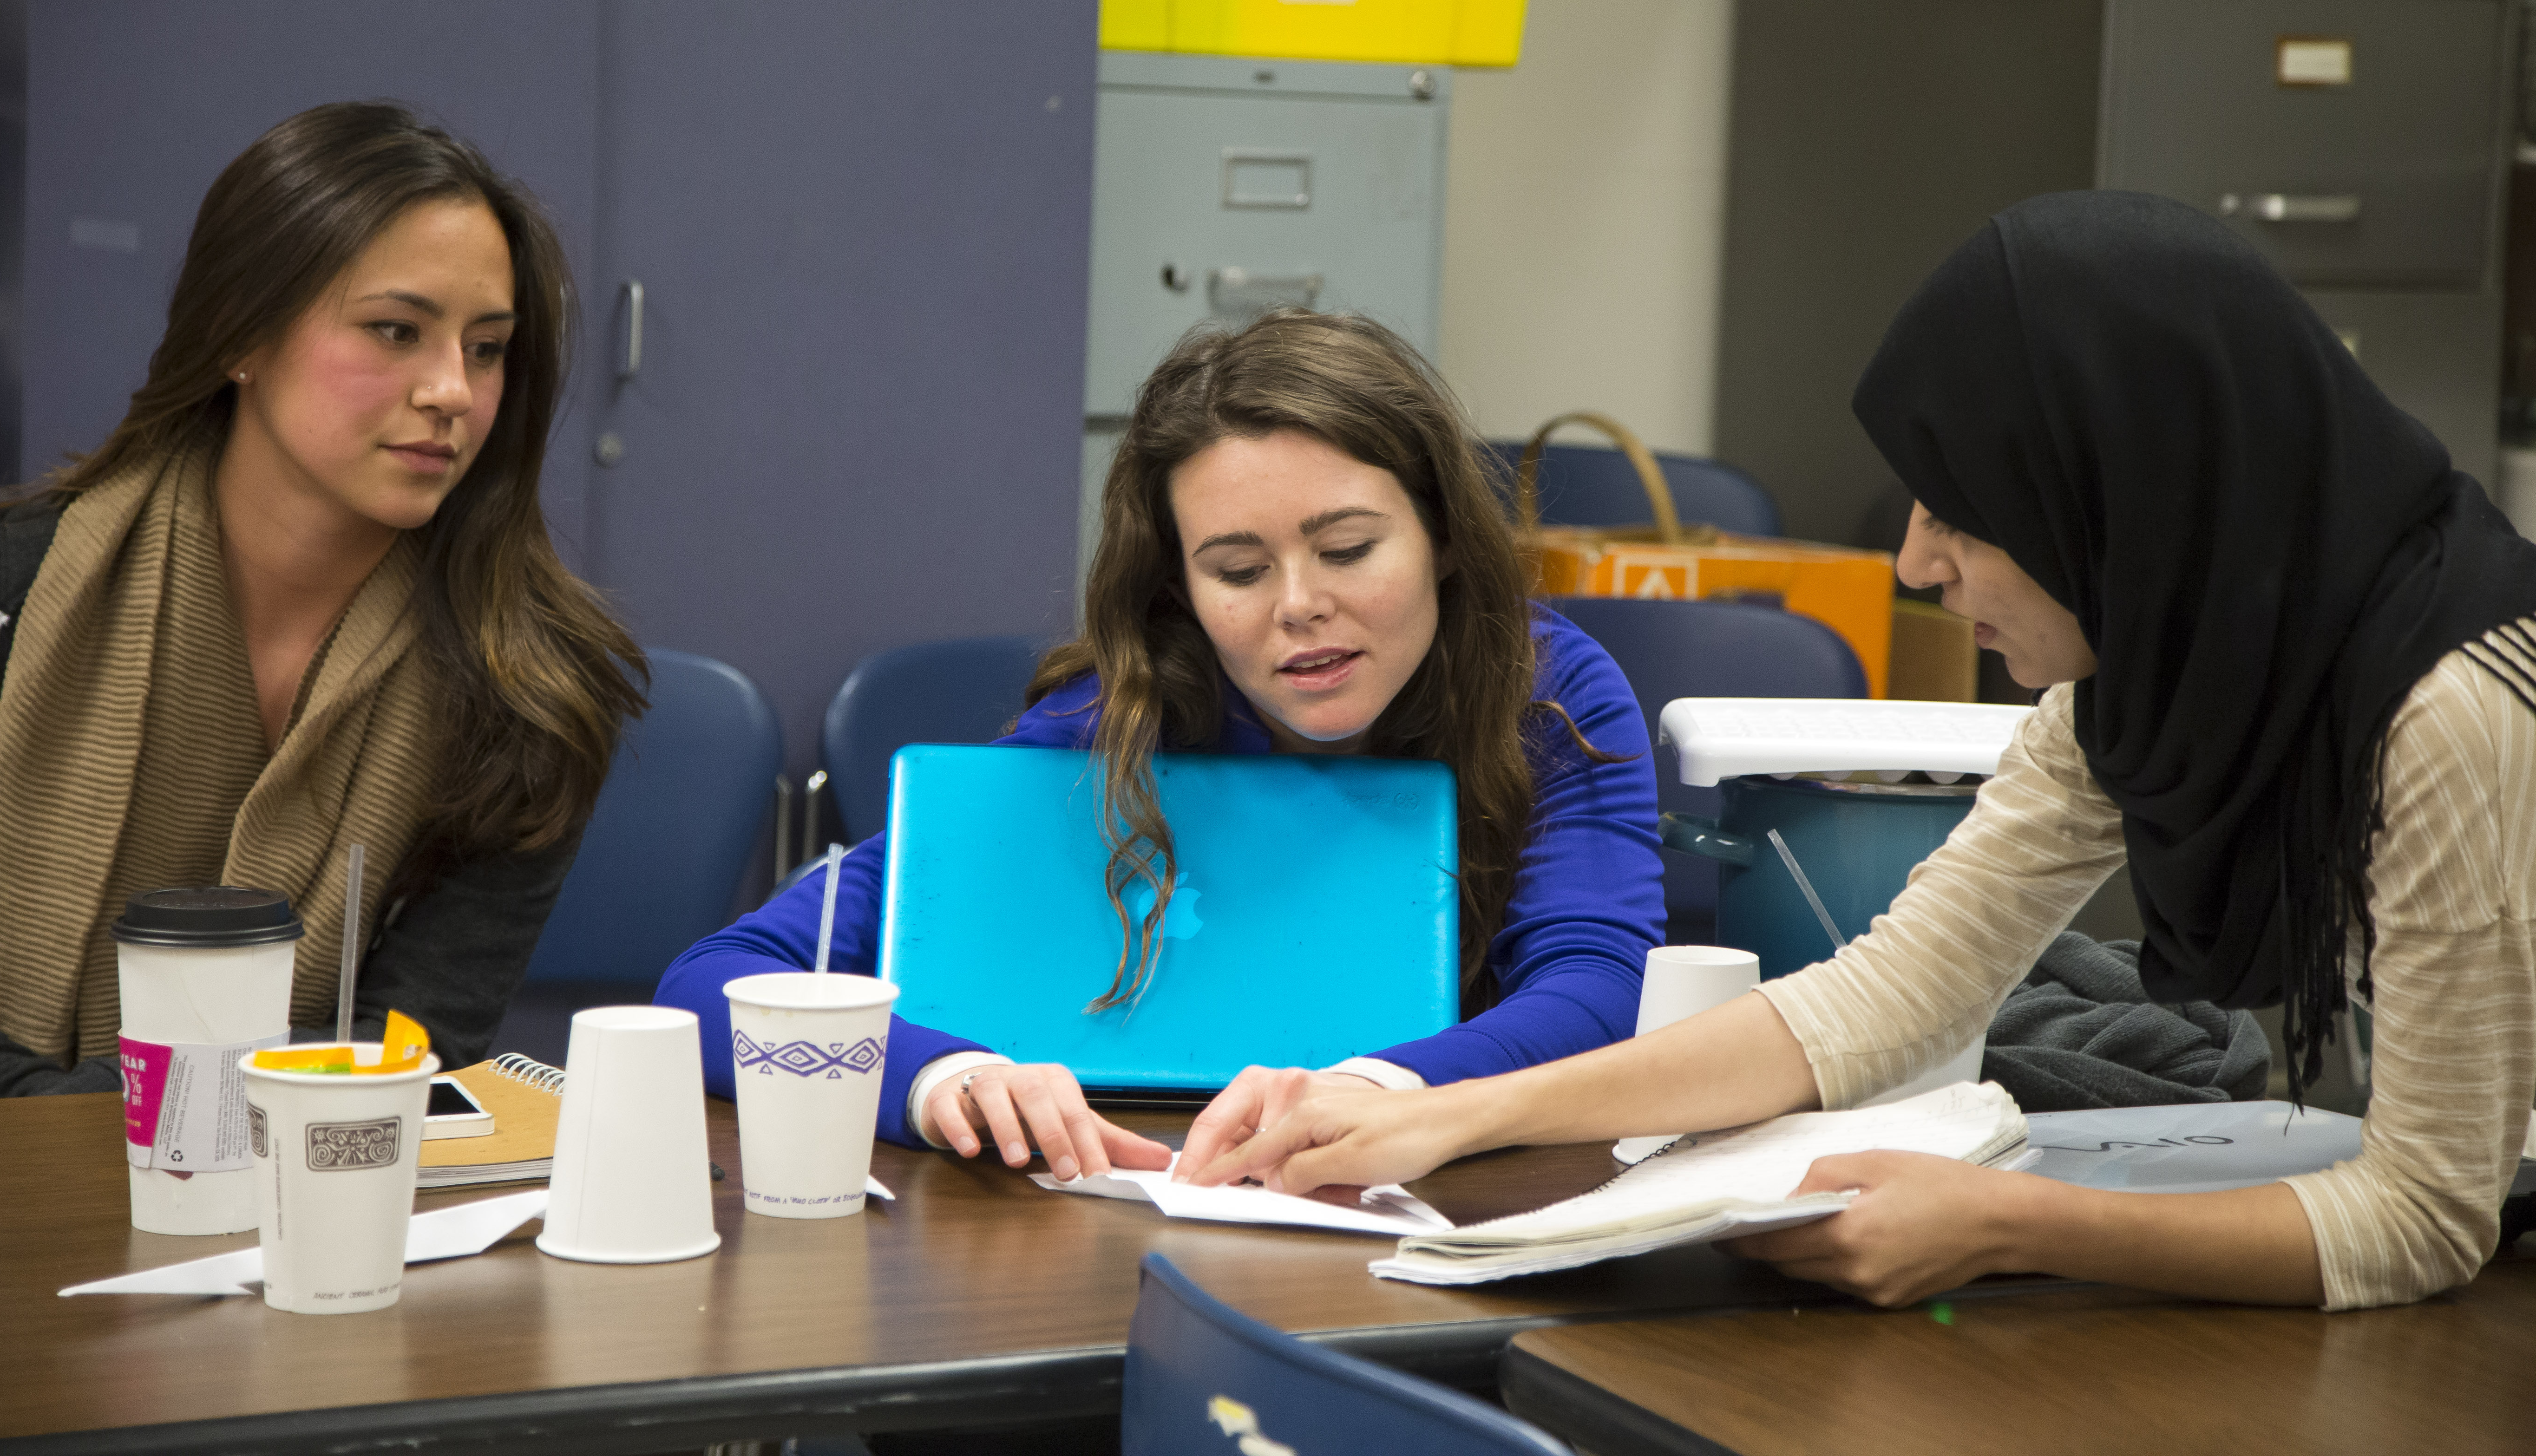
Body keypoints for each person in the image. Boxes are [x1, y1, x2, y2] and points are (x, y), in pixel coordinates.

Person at [1190, 192, 2536, 1314]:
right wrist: (1448, 1117)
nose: (1914, 562)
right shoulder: (2146, 671)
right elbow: (1886, 1001)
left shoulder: (2453, 711)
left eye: (1969, 510)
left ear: (2121, 494)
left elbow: (2424, 1219)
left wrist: (2012, 1224)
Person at [658, 310, 1666, 1178]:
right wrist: (944, 1079)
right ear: (1179, 589)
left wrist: (1381, 1090)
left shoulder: (1548, 694)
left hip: (1434, 1219)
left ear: (1443, 535)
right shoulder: (1117, 721)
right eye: (1237, 569)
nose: (1300, 607)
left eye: (1349, 550)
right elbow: (718, 985)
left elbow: (1600, 988)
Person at [0, 102, 645, 1096]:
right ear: (241, 335)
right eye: (396, 331)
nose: (453, 393)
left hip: (323, 1215)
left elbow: (405, 1059)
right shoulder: (15, 593)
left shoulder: (528, 686)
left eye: (486, 348)